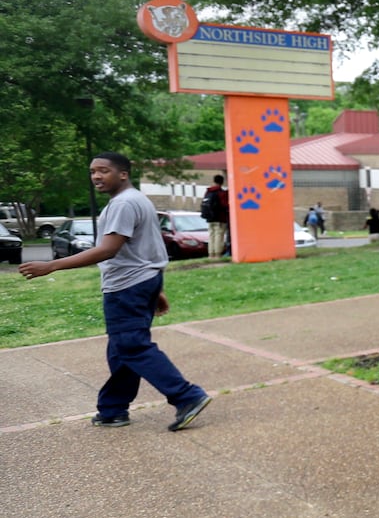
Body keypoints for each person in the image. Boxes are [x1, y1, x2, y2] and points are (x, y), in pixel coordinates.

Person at [19, 152, 212, 431]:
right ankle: (113, 409)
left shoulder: (123, 203)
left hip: (127, 287)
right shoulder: (136, 200)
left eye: (103, 171)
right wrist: (154, 288)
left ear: (123, 174)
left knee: (131, 346)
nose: (96, 176)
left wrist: (51, 266)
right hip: (140, 282)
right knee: (121, 349)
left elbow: (108, 249)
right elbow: (148, 247)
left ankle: (187, 396)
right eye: (92, 172)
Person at [200, 173, 228, 259]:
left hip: (209, 218)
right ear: (222, 182)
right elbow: (224, 205)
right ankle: (217, 254)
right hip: (219, 218)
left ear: (214, 181)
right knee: (218, 236)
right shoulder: (221, 193)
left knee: (211, 236)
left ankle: (210, 254)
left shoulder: (208, 191)